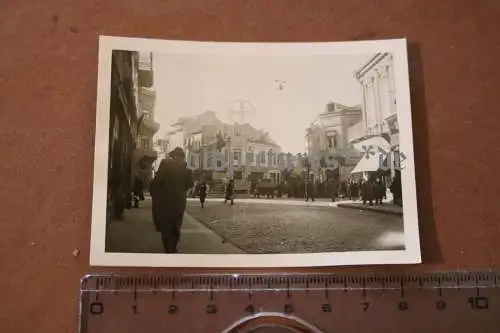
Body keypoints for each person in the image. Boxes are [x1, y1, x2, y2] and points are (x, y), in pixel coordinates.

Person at [152, 147, 193, 253]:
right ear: (182, 157)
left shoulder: (165, 164)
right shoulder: (185, 168)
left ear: (173, 156)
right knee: (176, 225)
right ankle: (173, 247)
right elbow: (189, 185)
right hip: (179, 202)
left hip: (165, 201)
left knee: (166, 226)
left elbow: (157, 182)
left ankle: (168, 248)